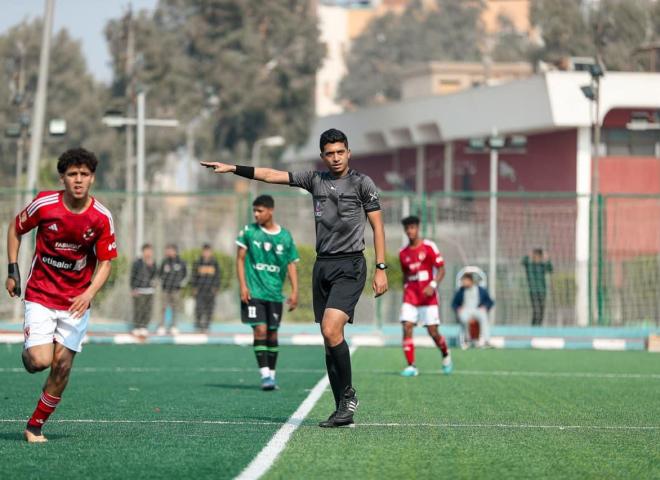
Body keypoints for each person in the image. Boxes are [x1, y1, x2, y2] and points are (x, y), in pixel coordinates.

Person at [201, 128, 387, 428]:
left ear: (348, 153)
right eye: (330, 153)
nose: (336, 157)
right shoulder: (315, 180)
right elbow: (272, 175)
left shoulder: (362, 183)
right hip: (322, 266)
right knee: (329, 341)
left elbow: (378, 226)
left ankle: (349, 395)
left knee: (330, 329)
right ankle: (342, 408)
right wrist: (234, 168)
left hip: (350, 265)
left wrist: (381, 268)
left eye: (340, 151)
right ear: (323, 156)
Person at [5, 148, 117, 443]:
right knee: (39, 362)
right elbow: (15, 229)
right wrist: (12, 269)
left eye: (84, 174)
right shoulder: (44, 204)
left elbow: (106, 262)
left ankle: (35, 426)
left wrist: (89, 292)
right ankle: (30, 352)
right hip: (40, 294)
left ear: (92, 178)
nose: (78, 180)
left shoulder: (101, 217)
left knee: (63, 365)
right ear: (62, 178)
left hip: (76, 302)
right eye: (72, 175)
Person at [236, 195, 299, 390]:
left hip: (274, 294)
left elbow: (291, 265)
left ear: (270, 211)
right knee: (260, 330)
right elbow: (239, 259)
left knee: (272, 334)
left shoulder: (285, 236)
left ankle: (272, 375)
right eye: (254, 210)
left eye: (260, 211)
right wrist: (243, 286)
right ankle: (264, 375)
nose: (256, 214)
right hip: (254, 292)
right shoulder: (249, 232)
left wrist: (295, 291)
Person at [398, 216, 452, 377]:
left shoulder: (429, 247)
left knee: (433, 332)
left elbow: (442, 269)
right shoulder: (403, 253)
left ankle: (445, 352)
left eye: (412, 227)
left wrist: (433, 285)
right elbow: (405, 275)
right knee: (407, 326)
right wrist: (406, 290)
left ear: (418, 228)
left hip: (428, 298)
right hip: (410, 297)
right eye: (407, 228)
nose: (410, 231)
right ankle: (411, 366)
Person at [452, 273, 494, 348]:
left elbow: (490, 302)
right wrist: (458, 309)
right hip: (465, 310)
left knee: (483, 316)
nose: (463, 283)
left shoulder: (481, 290)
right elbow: (454, 304)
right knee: (464, 318)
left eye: (465, 281)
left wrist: (485, 307)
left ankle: (486, 341)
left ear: (470, 281)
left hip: (477, 310)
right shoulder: (461, 291)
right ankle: (467, 340)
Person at [191, 243, 221, 333]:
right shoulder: (198, 262)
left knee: (209, 309)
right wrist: (194, 287)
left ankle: (207, 326)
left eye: (208, 251)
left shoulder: (214, 263)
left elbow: (218, 276)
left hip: (210, 290)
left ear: (211, 252)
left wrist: (216, 287)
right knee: (199, 308)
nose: (206, 253)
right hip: (200, 290)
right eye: (205, 251)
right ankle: (198, 325)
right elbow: (194, 276)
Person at [157, 244, 187, 335]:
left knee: (175, 308)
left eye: (170, 250)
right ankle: (162, 326)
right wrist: (163, 282)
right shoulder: (164, 262)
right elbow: (159, 273)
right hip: (165, 289)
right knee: (163, 307)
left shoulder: (181, 262)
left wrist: (180, 283)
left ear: (175, 251)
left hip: (176, 289)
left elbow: (185, 274)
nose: (168, 252)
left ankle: (174, 326)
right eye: (167, 250)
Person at [130, 243, 157, 336]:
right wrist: (133, 288)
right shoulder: (137, 263)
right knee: (138, 309)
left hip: (149, 290)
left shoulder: (153, 263)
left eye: (150, 251)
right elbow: (132, 276)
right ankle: (137, 327)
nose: (148, 253)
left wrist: (151, 266)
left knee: (147, 310)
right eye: (146, 251)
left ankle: (144, 327)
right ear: (143, 252)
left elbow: (154, 276)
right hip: (139, 290)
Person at [522, 248, 553, 326]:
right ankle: (534, 327)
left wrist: (547, 259)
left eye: (539, 256)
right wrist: (528, 255)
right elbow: (523, 261)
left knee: (542, 311)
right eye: (535, 255)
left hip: (542, 291)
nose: (537, 258)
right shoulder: (530, 266)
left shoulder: (542, 266)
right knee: (536, 310)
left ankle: (538, 326)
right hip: (533, 291)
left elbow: (550, 269)